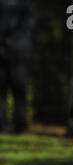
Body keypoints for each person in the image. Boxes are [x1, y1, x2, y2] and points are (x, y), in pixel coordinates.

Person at [0, 0, 35, 133]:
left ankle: (21, 126)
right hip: (2, 52)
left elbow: (28, 23)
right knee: (1, 91)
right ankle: (2, 125)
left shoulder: (26, 4)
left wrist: (11, 39)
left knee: (19, 90)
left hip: (19, 53)